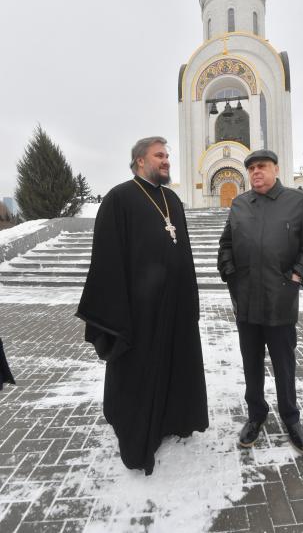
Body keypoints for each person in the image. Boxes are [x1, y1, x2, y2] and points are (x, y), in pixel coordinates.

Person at [76, 137, 208, 475]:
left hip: (173, 307)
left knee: (174, 361)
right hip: (138, 311)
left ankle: (172, 418)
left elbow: (184, 253)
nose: (166, 161)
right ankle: (139, 432)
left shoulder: (172, 199)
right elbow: (106, 259)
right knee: (141, 369)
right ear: (139, 161)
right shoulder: (119, 198)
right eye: (159, 155)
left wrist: (189, 298)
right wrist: (118, 310)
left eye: (167, 155)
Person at [218, 149, 303, 454]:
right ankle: (256, 416)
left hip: (280, 302)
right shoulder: (239, 204)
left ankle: (291, 419)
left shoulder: (297, 202)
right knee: (251, 365)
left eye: (262, 166)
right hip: (247, 303)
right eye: (251, 168)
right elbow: (226, 244)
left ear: (276, 169)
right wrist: (231, 275)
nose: (256, 172)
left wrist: (296, 278)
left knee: (284, 365)